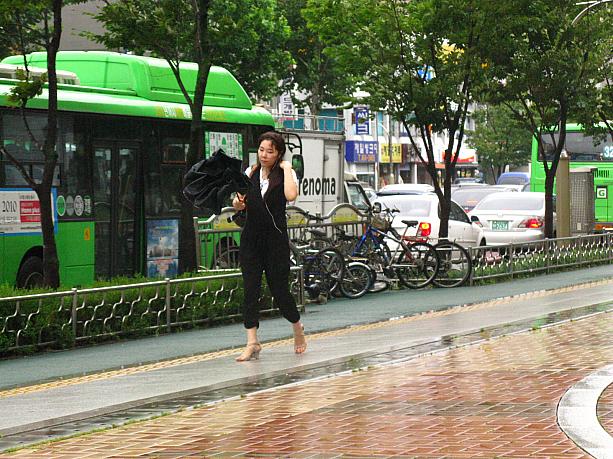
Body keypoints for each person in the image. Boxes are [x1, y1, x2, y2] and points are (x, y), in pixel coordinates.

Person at [232, 131, 306, 362]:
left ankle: (297, 329)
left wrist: (285, 169)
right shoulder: (250, 173)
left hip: (275, 241)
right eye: (261, 150)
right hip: (251, 240)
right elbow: (237, 204)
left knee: (279, 290)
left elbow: (291, 195)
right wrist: (238, 203)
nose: (264, 155)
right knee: (250, 289)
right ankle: (252, 342)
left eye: (270, 151)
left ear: (279, 154)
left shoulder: (286, 173)